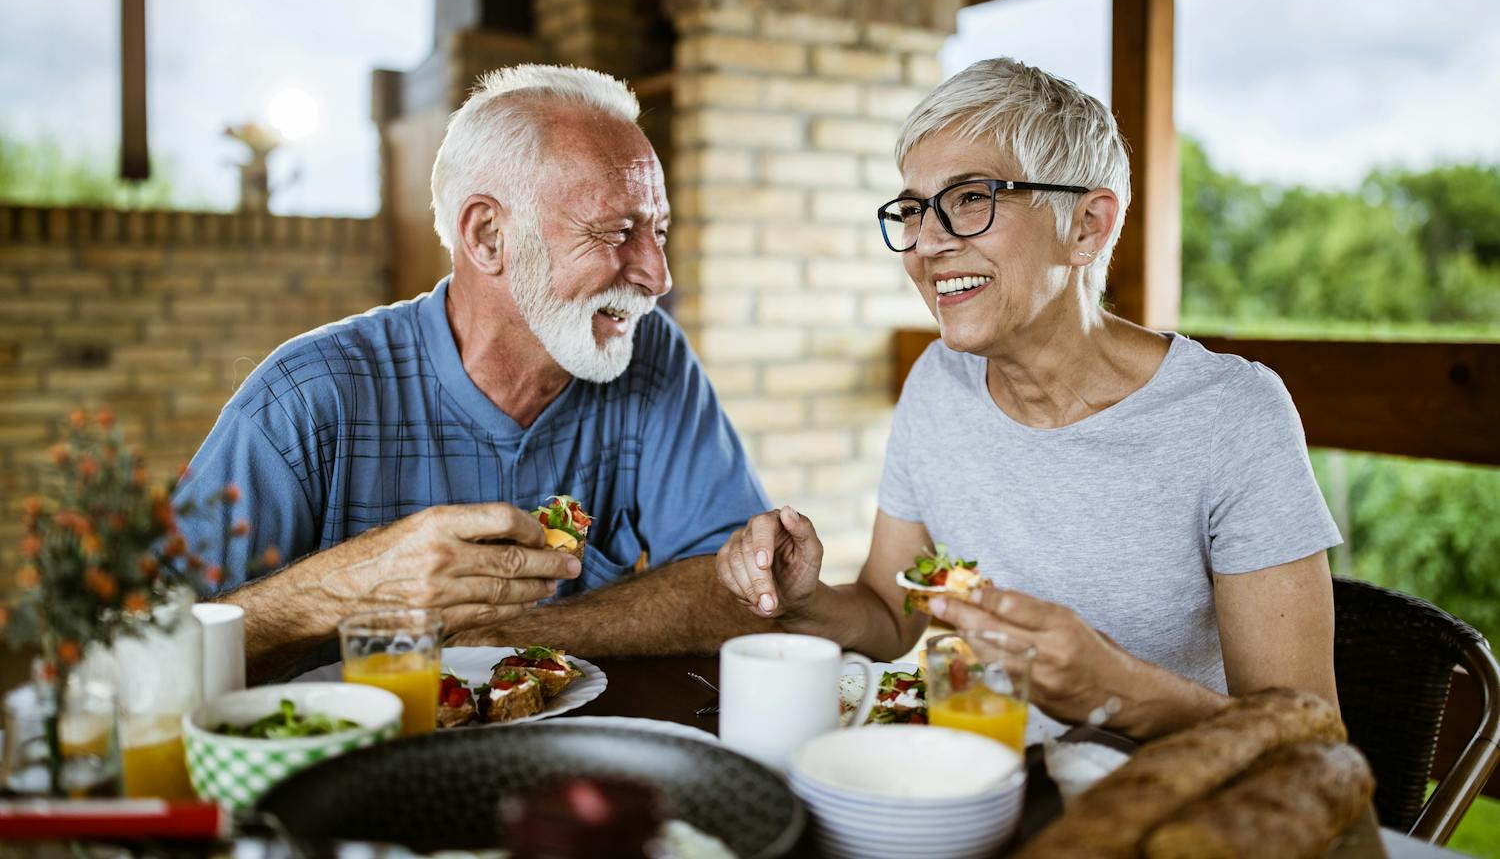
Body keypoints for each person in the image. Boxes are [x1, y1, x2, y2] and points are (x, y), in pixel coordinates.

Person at [716, 58, 1343, 739]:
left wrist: (1119, 691)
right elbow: (892, 617)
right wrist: (804, 599)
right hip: (986, 781)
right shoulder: (937, 382)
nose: (925, 244)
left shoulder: (1232, 416)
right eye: (914, 209)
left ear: (1087, 227)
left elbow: (1311, 737)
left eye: (970, 198)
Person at [179, 65, 772, 680]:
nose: (658, 275)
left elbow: (740, 585)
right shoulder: (305, 398)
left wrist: (504, 637)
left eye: (659, 231)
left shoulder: (650, 357)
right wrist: (347, 587)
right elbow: (139, 649)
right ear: (488, 236)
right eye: (618, 233)